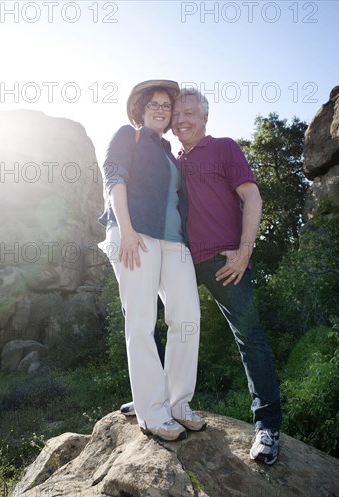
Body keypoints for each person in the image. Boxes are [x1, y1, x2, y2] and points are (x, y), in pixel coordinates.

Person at [121, 87, 282, 464]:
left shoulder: (225, 147)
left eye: (189, 113)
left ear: (205, 117)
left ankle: (268, 427)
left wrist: (245, 250)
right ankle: (152, 398)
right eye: (177, 115)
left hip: (226, 262)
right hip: (180, 258)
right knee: (156, 321)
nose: (181, 120)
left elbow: (252, 197)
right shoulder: (171, 158)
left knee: (250, 338)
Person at [99, 80, 205, 441]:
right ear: (141, 109)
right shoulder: (129, 136)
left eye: (166, 106)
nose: (161, 110)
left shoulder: (169, 152)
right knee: (142, 321)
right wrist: (126, 231)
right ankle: (152, 413)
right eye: (154, 104)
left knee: (187, 316)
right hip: (134, 236)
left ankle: (178, 404)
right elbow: (114, 178)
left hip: (173, 243)